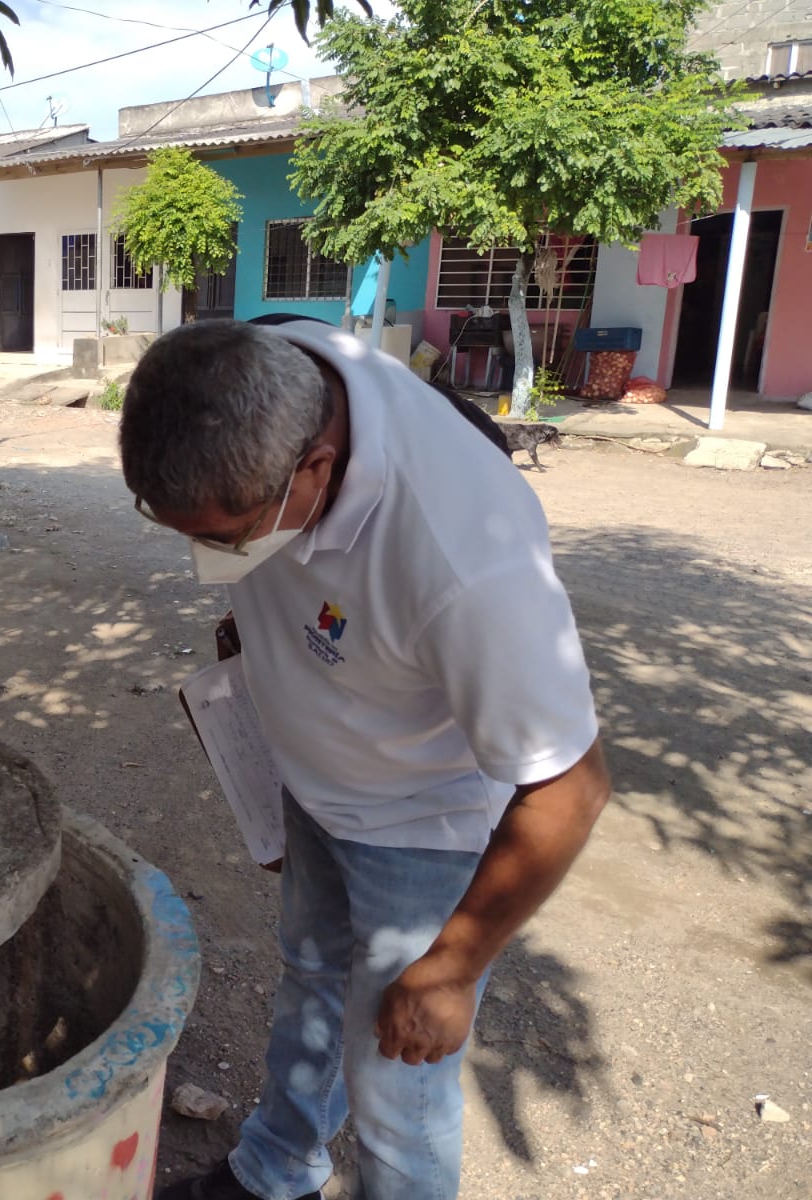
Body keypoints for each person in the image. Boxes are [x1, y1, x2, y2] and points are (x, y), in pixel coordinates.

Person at [121, 319, 610, 1200]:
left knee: (398, 1084)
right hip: (316, 782)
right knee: (310, 986)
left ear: (315, 467)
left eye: (227, 538)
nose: (210, 558)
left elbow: (570, 789)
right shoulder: (270, 362)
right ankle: (276, 1172)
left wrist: (453, 966)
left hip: (419, 822)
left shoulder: (466, 559)